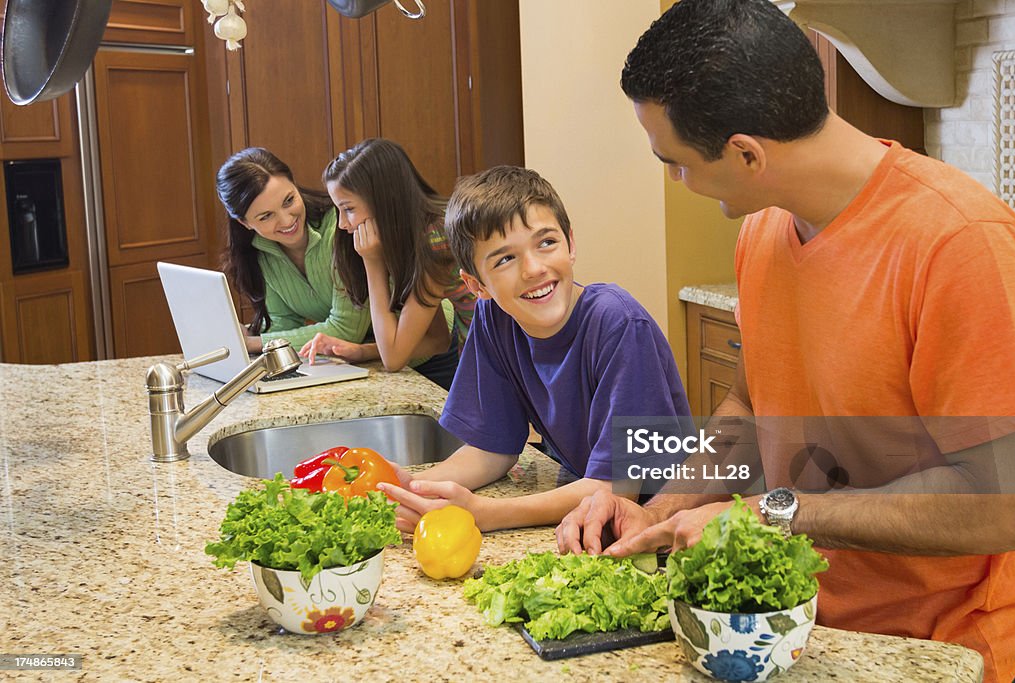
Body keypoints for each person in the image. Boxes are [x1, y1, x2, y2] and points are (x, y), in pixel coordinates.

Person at [555, 1, 1015, 680]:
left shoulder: (959, 244)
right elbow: (750, 409)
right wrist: (656, 511)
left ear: (747, 153)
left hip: (936, 651)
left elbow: (1004, 502)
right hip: (792, 626)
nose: (674, 180)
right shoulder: (763, 230)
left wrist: (774, 511)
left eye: (676, 162)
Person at [376, 165, 693, 533]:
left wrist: (484, 514)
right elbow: (493, 450)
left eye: (546, 242)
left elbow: (617, 489)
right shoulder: (494, 318)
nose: (533, 269)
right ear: (476, 284)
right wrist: (414, 489)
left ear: (571, 244)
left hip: (664, 523)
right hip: (590, 516)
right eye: (505, 259)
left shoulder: (618, 324)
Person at [301, 138, 473, 389]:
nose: (342, 224)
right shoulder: (422, 232)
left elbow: (393, 359)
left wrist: (373, 263)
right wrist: (361, 352)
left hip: (498, 365)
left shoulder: (435, 239)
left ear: (384, 200)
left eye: (348, 209)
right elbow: (436, 340)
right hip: (480, 362)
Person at [216, 147, 374, 356]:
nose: (287, 220)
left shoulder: (342, 228)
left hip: (405, 364)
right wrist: (247, 334)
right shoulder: (259, 250)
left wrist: (252, 343)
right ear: (244, 223)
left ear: (295, 185)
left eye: (289, 200)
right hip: (349, 363)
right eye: (266, 216)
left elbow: (346, 330)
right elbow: (284, 323)